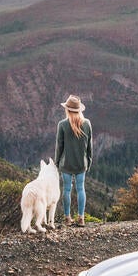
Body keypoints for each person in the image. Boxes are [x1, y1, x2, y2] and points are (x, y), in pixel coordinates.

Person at [55, 95, 93, 226]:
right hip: (81, 163)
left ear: (67, 109)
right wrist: (89, 161)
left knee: (66, 190)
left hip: (66, 163)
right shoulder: (87, 123)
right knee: (81, 188)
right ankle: (81, 218)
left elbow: (59, 146)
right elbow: (89, 146)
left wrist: (57, 162)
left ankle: (67, 218)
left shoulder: (62, 125)